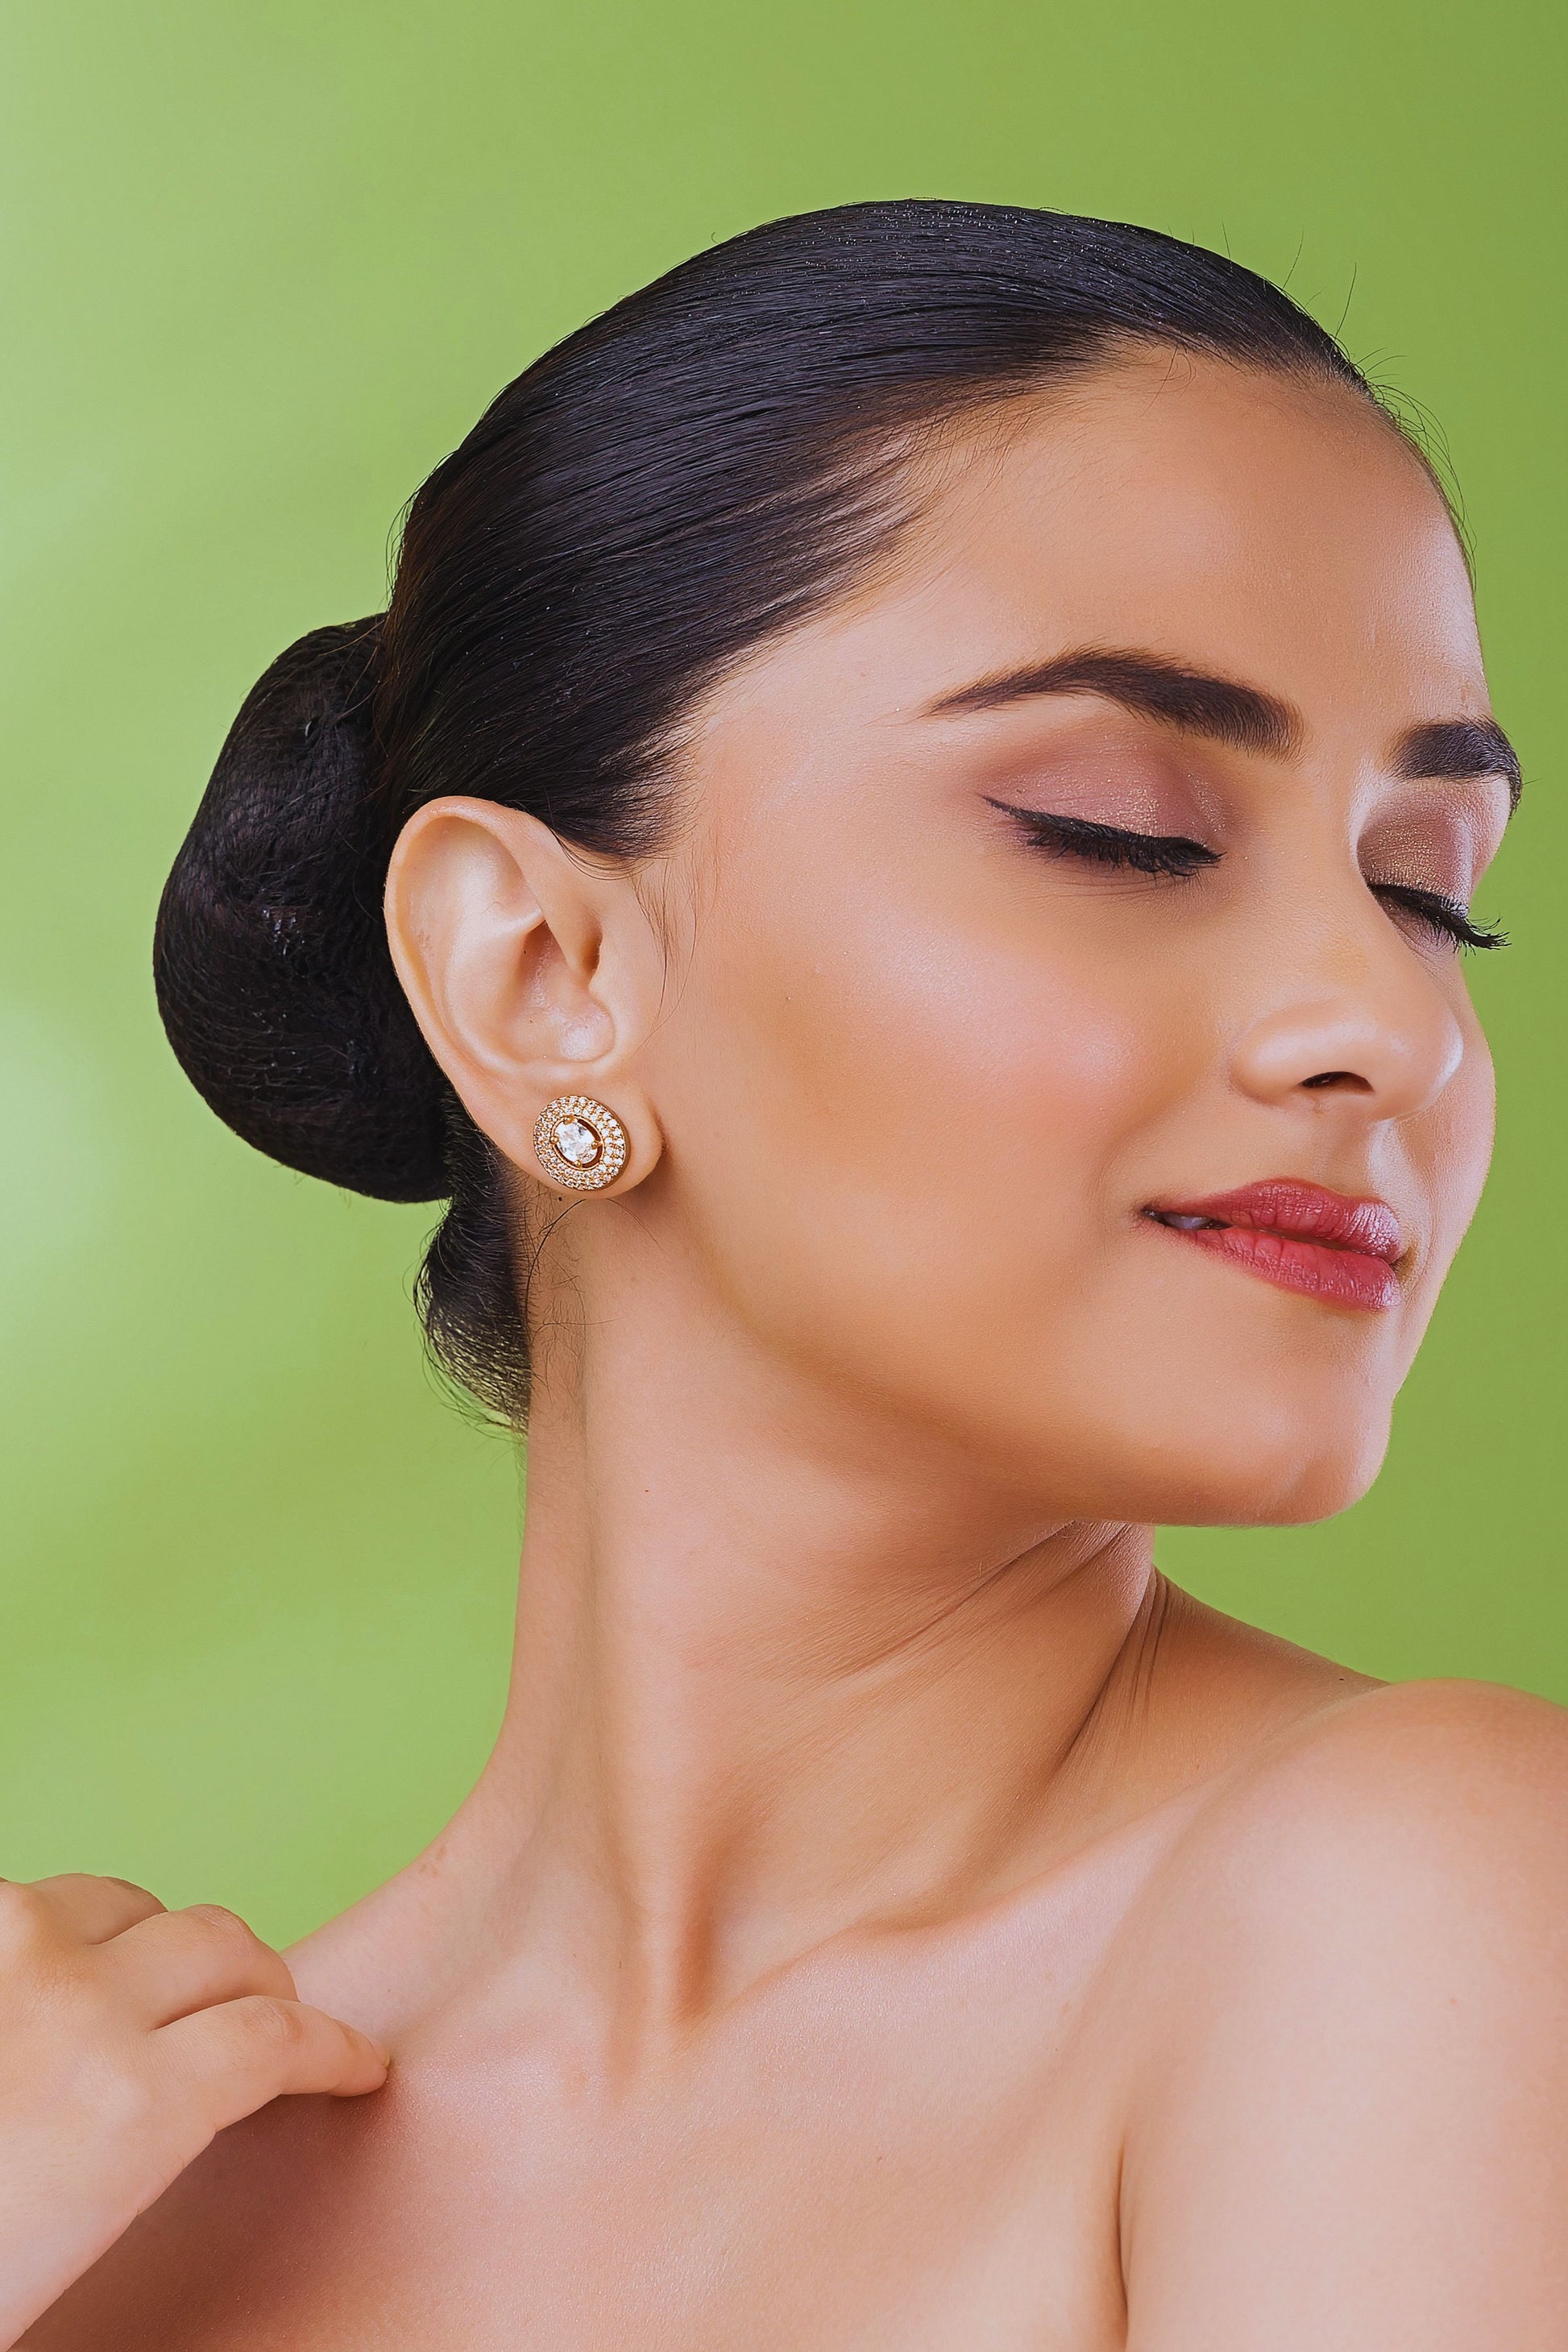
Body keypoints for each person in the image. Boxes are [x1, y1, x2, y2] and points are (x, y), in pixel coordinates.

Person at [6, 199, 1562, 2350]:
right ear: (539, 975)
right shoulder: (110, 2200)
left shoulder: (1417, 1903)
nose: (1385, 1028)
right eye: (1123, 830)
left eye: (1426, 894)